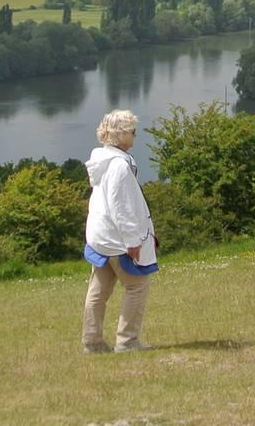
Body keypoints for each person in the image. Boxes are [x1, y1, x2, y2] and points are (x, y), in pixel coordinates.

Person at [82, 108, 157, 353]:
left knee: (99, 290)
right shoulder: (119, 167)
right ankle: (127, 341)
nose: (135, 136)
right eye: (133, 132)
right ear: (122, 135)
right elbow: (121, 206)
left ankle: (92, 343)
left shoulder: (101, 162)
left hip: (100, 238)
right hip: (117, 240)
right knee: (137, 286)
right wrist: (133, 241)